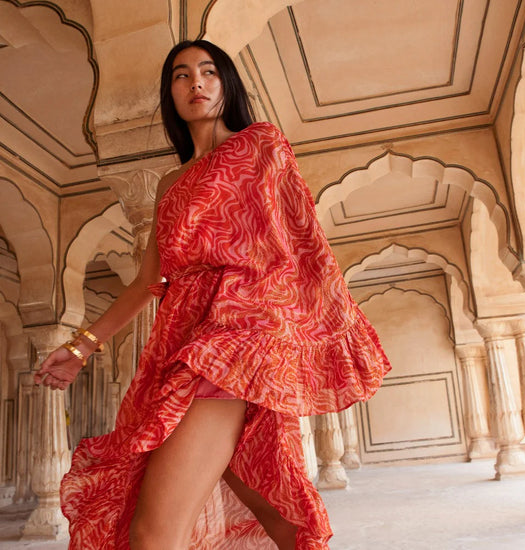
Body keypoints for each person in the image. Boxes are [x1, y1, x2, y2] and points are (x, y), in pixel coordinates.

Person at [35, 39, 391, 550]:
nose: (195, 83)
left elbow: (302, 244)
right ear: (171, 93)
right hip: (179, 342)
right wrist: (80, 346)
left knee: (154, 532)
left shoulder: (260, 145)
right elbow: (148, 283)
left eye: (208, 72)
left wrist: (281, 336)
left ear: (227, 84)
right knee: (269, 506)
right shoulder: (169, 183)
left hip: (235, 341)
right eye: (181, 75)